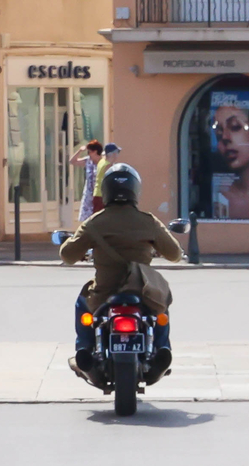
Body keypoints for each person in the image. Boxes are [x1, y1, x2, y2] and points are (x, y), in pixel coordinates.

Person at [60, 161, 183, 384]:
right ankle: (162, 348)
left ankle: (84, 350)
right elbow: (175, 254)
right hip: (142, 292)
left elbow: (67, 255)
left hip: (104, 294)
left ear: (106, 191)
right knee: (161, 304)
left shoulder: (94, 223)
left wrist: (81, 250)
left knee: (81, 304)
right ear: (135, 190)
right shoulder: (149, 222)